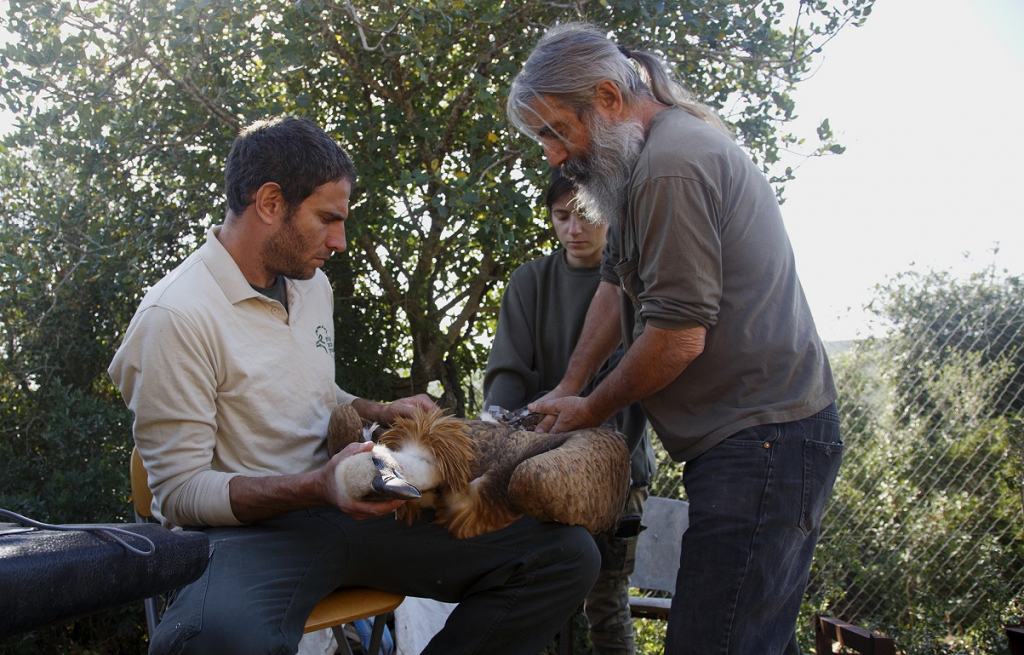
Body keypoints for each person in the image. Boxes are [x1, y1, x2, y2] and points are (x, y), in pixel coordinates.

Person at [107, 115, 600, 655]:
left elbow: (309, 393)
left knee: (566, 554)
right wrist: (317, 486)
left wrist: (376, 409)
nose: (339, 241)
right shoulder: (174, 318)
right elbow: (180, 494)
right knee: (206, 643)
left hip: (346, 509)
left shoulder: (309, 285)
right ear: (269, 203)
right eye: (327, 219)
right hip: (247, 538)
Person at [505, 23, 844, 655]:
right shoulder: (635, 166)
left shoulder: (670, 167)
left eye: (555, 131)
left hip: (766, 439)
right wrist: (569, 385)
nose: (552, 155)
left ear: (608, 99)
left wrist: (591, 410)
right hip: (752, 441)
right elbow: (614, 287)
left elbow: (678, 337)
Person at [483, 168, 654, 655]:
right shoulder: (529, 281)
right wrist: (497, 430)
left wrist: (589, 446)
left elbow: (633, 388)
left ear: (611, 214)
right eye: (562, 216)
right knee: (533, 598)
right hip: (531, 467)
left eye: (586, 215)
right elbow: (508, 374)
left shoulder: (635, 286)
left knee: (607, 604)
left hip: (617, 473)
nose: (574, 229)